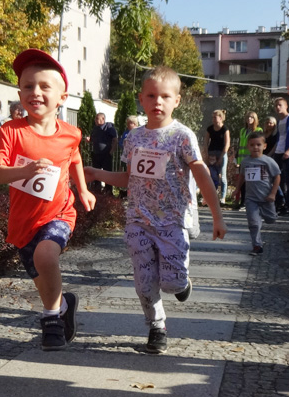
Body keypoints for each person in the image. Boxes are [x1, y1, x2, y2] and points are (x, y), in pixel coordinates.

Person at [85, 66, 227, 354]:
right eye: (151, 96)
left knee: (172, 284)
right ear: (141, 99)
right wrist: (96, 173)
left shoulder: (182, 136)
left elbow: (201, 175)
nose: (157, 101)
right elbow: (128, 178)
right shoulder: (133, 138)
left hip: (172, 221)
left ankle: (182, 283)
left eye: (165, 96)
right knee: (144, 281)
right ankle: (156, 327)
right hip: (138, 220)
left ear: (177, 100)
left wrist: (217, 216)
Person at [0, 49, 96, 351]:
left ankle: (51, 321)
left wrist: (82, 189)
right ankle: (63, 306)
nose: (35, 92)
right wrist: (23, 170)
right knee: (44, 281)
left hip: (59, 213)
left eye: (44, 86)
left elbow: (74, 157)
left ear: (62, 97)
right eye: (28, 86)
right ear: (19, 94)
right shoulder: (11, 131)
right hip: (24, 223)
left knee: (46, 257)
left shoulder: (71, 133)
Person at [235, 131, 280, 256]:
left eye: (258, 145)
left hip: (266, 197)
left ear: (264, 146)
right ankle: (257, 245)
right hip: (251, 199)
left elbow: (277, 176)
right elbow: (242, 176)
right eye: (252, 145)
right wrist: (237, 189)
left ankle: (266, 215)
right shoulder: (245, 162)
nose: (255, 147)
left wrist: (273, 193)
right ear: (248, 146)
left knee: (271, 219)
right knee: (253, 223)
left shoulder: (268, 161)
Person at [233, 111, 262, 210]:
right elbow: (240, 144)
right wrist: (236, 158)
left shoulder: (258, 130)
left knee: (251, 182)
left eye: (251, 117)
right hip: (242, 160)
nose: (249, 119)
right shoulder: (242, 130)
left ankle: (251, 202)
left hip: (252, 159)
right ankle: (243, 202)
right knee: (242, 182)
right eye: (248, 117)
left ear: (255, 119)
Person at [87, 112, 117, 194]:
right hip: (96, 154)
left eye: (97, 118)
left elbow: (115, 140)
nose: (95, 120)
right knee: (96, 173)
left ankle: (108, 192)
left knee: (107, 173)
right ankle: (97, 191)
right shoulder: (95, 129)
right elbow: (92, 138)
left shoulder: (109, 128)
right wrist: (89, 139)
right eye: (95, 119)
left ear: (103, 119)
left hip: (106, 154)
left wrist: (111, 152)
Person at [204, 109, 230, 205]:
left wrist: (221, 157)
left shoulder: (225, 129)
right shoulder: (210, 129)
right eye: (212, 117)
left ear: (221, 118)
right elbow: (206, 142)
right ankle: (211, 196)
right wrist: (206, 155)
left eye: (215, 117)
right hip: (212, 153)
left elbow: (227, 144)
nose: (213, 119)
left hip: (221, 153)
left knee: (222, 176)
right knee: (212, 175)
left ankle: (223, 197)